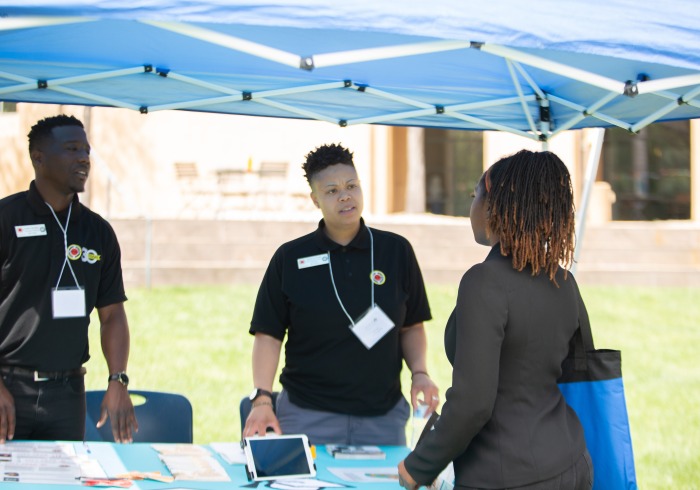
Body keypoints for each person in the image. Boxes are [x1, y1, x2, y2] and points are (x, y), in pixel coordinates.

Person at [398, 150, 593, 489]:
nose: (470, 207)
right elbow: (579, 372)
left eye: (474, 196)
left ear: (493, 206)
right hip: (571, 462)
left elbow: (473, 403)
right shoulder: (564, 280)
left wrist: (418, 467)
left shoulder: (484, 282)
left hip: (506, 474)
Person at [243, 143, 439, 446]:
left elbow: (411, 325)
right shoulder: (291, 257)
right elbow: (268, 334)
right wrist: (262, 398)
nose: (345, 196)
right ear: (315, 199)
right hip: (307, 414)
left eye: (352, 186)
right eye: (332, 190)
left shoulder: (395, 251)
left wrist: (420, 373)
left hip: (383, 417)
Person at [0, 114, 137, 443]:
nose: (84, 159)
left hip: (68, 394)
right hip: (8, 389)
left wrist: (117, 379)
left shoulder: (98, 232)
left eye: (87, 150)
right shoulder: (6, 219)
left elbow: (113, 315)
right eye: (72, 149)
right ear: (39, 158)